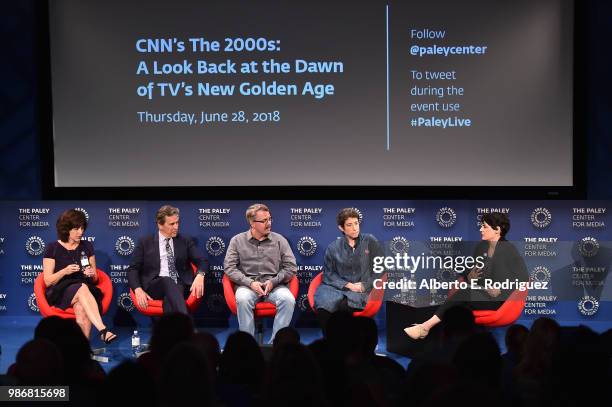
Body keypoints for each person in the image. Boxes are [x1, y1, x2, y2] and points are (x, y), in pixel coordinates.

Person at [404, 212, 528, 339]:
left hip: (500, 300)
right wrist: (470, 277)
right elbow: (469, 272)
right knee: (458, 304)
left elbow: (524, 278)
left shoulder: (509, 250)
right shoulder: (481, 247)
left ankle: (425, 327)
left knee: (463, 295)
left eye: (484, 226)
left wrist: (502, 289)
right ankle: (451, 342)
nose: (481, 229)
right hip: (481, 293)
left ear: (497, 230)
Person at [224, 203, 297, 341]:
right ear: (252, 223)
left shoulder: (279, 240)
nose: (268, 223)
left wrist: (273, 281)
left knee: (288, 300)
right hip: (247, 285)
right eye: (264, 221)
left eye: (269, 219)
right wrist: (250, 283)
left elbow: (291, 267)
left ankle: (276, 343)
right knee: (243, 299)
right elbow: (229, 268)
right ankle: (248, 344)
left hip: (274, 285)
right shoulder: (237, 241)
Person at [42, 209, 116, 342]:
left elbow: (95, 279)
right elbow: (47, 281)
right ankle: (103, 330)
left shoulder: (87, 246)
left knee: (82, 307)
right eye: (76, 228)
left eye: (82, 228)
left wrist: (92, 274)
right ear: (66, 229)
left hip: (86, 288)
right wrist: (64, 271)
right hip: (62, 290)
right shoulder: (52, 248)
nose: (80, 232)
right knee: (81, 288)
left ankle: (83, 351)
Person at [128, 205, 207, 314]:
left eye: (177, 223)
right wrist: (137, 289)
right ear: (160, 225)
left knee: (170, 299)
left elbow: (202, 260)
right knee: (167, 280)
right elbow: (133, 269)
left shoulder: (185, 240)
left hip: (179, 284)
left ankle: (171, 330)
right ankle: (188, 326)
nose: (176, 227)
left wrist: (200, 275)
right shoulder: (145, 242)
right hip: (154, 285)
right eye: (172, 224)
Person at [313, 208, 384, 329]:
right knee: (323, 307)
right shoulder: (333, 247)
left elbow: (381, 268)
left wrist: (364, 285)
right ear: (341, 228)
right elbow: (328, 274)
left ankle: (348, 342)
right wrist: (349, 285)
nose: (355, 228)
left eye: (356, 223)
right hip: (338, 288)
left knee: (343, 307)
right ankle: (331, 342)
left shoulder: (370, 241)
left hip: (363, 288)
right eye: (349, 225)